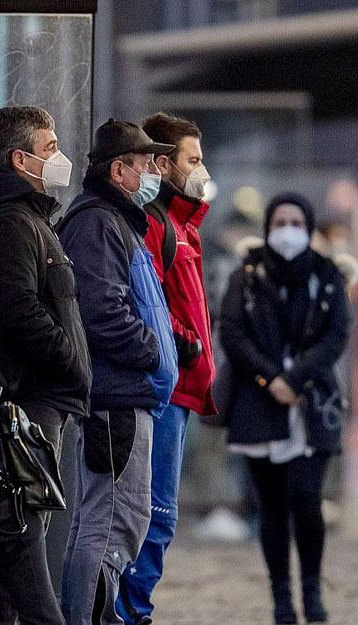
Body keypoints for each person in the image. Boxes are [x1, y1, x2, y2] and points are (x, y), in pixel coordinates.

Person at [0, 106, 92, 625]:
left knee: (22, 541)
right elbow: (18, 309)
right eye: (49, 148)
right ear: (20, 159)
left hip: (42, 398)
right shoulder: (14, 222)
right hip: (32, 401)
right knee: (23, 538)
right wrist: (71, 361)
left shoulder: (29, 218)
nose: (60, 157)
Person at [57, 119, 178, 625]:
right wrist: (152, 352)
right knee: (111, 526)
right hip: (119, 398)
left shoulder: (116, 221)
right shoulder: (98, 223)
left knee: (106, 522)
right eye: (145, 162)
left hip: (125, 396)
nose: (154, 172)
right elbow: (102, 310)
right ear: (119, 170)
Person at [220, 193, 351, 624]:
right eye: (279, 223)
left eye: (296, 222)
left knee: (307, 498)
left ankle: (312, 590)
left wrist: (295, 380)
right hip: (260, 404)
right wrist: (270, 379)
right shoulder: (247, 275)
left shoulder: (328, 275)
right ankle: (281, 597)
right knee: (271, 506)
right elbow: (233, 333)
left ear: (309, 227)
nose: (288, 231)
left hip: (313, 403)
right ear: (267, 227)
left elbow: (336, 335)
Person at [116, 112, 216, 625]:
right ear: (163, 163)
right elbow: (145, 301)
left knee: (156, 515)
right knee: (154, 515)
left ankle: (130, 610)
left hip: (179, 386)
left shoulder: (181, 225)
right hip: (165, 390)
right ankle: (129, 613)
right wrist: (184, 344)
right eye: (192, 160)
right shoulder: (156, 223)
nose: (201, 169)